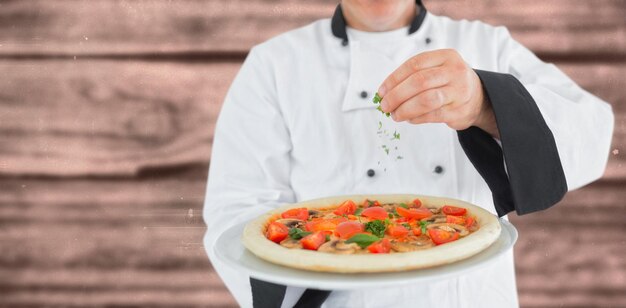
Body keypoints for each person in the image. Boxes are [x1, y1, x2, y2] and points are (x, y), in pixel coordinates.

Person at [203, 0, 614, 307]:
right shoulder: (274, 64)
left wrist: (487, 104)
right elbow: (238, 211)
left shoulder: (486, 44)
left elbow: (592, 137)